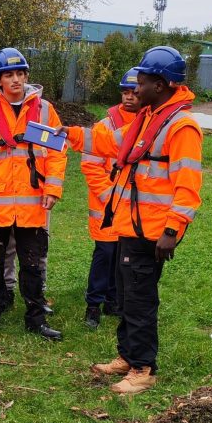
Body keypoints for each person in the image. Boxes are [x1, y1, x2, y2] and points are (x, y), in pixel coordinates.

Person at [58, 46, 203, 394]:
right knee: (125, 297)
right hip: (130, 225)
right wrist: (68, 133)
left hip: (153, 232)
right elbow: (110, 141)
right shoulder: (152, 118)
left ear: (163, 83)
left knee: (140, 300)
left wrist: (172, 230)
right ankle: (127, 355)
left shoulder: (181, 127)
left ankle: (143, 369)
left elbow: (189, 185)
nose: (136, 88)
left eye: (142, 81)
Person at [0, 47, 65, 339]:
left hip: (34, 203)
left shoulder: (44, 111)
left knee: (32, 264)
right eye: (9, 75)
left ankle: (36, 317)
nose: (16, 79)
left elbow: (58, 153)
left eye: (20, 73)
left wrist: (53, 188)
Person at [81, 67, 140, 329]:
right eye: (125, 92)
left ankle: (114, 301)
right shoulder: (104, 126)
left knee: (122, 255)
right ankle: (93, 305)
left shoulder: (148, 125)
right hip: (105, 206)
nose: (129, 97)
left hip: (132, 207)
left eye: (134, 92)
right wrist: (109, 196)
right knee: (104, 253)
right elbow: (91, 165)